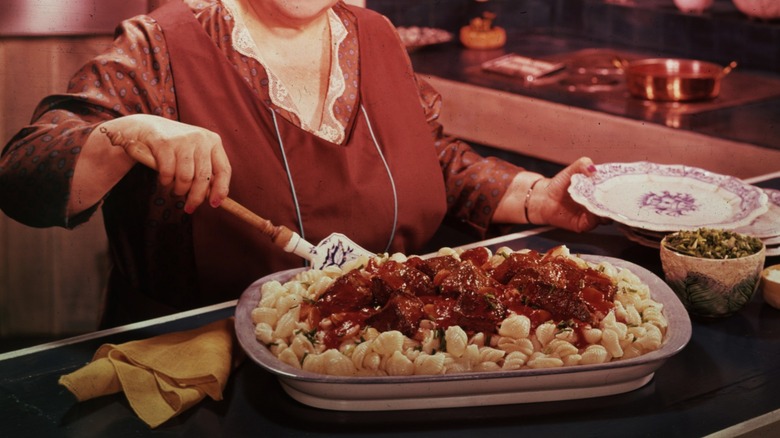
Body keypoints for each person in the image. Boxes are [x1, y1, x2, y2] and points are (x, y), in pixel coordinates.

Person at [0, 0, 602, 327]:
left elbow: (434, 155)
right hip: (201, 380)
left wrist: (537, 197)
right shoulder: (157, 46)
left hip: (382, 357)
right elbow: (21, 174)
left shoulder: (376, 35)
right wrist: (128, 133)